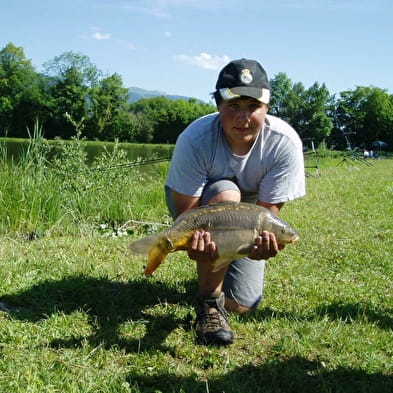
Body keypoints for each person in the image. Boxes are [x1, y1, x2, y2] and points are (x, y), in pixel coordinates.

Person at [165, 58, 306, 346]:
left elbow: (266, 216)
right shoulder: (195, 139)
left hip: (251, 213)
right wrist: (189, 242)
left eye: (253, 107)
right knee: (226, 194)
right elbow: (187, 217)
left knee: (242, 304)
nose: (243, 118)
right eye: (233, 106)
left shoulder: (284, 142)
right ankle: (208, 303)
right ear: (217, 104)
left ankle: (217, 281)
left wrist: (259, 244)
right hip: (199, 206)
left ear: (266, 107)